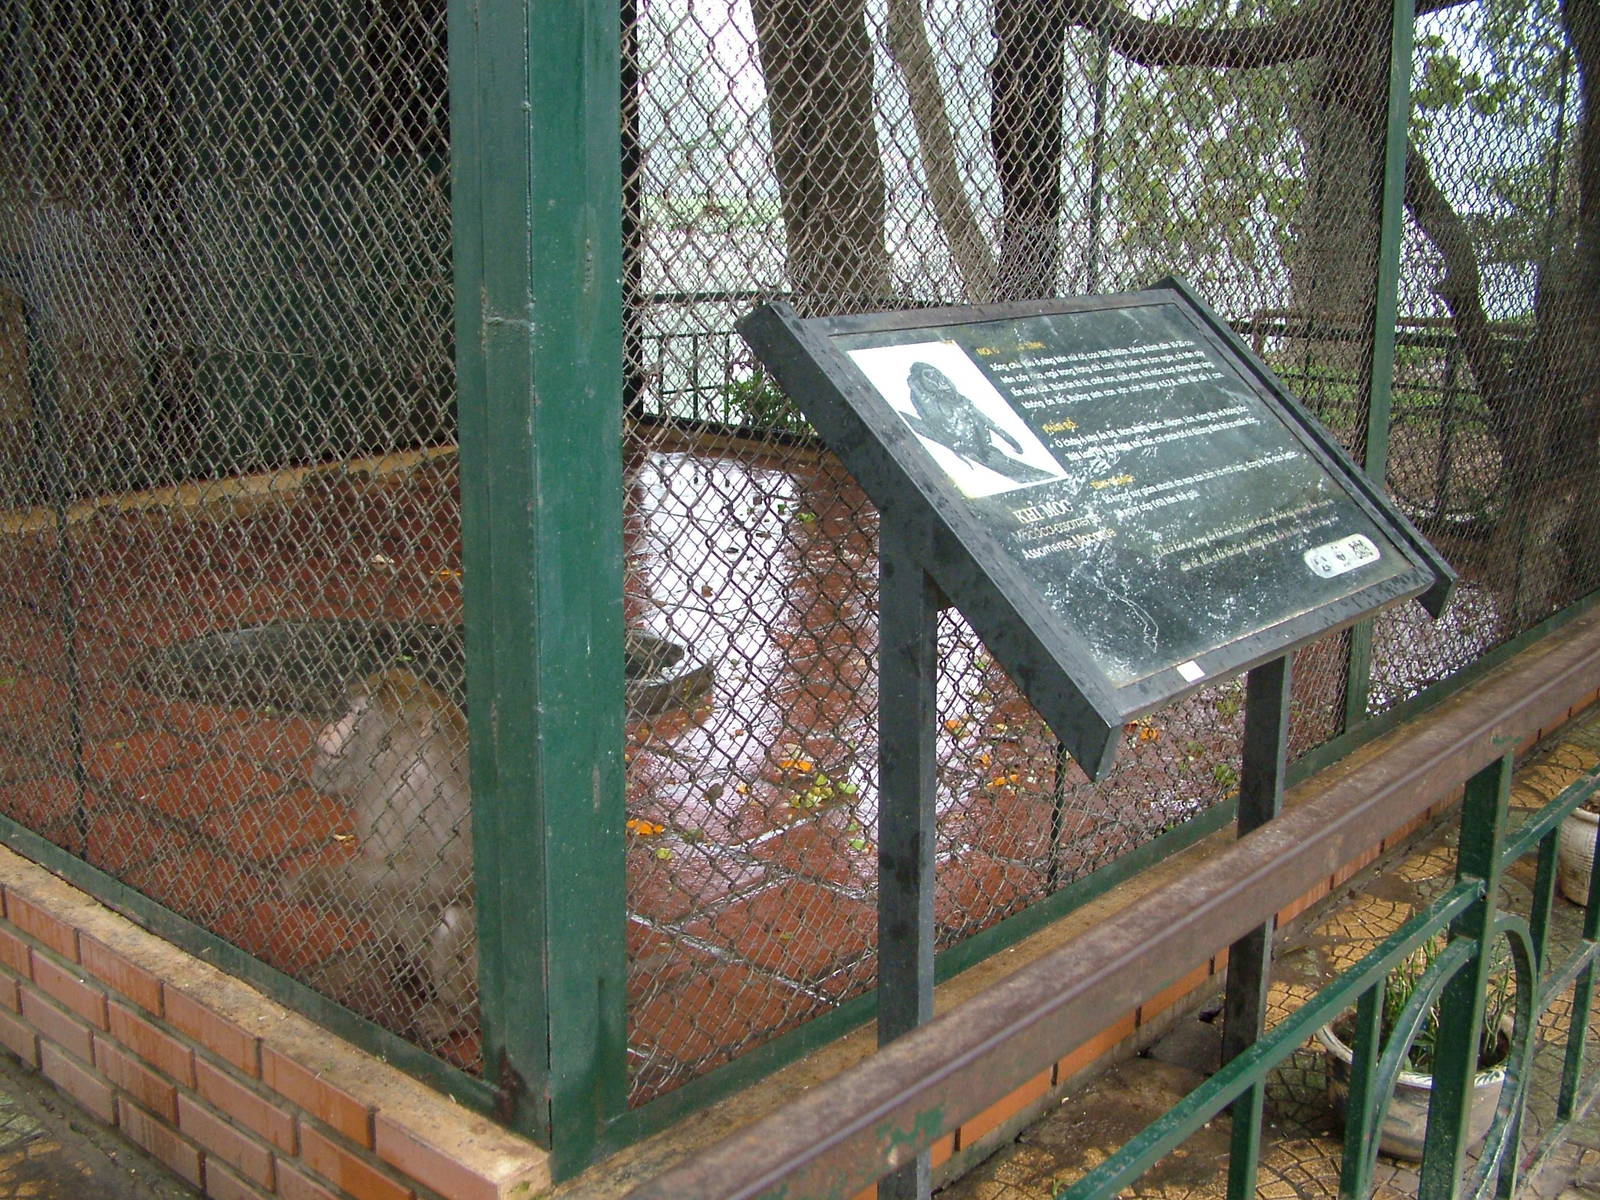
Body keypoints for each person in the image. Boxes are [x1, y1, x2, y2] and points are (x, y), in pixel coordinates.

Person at [901, 361, 1055, 485]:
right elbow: (934, 419)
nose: (936, 379)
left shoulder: (959, 399)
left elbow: (988, 421)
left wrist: (1010, 440)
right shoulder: (921, 396)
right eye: (928, 375)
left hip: (983, 446)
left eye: (936, 374)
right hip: (958, 442)